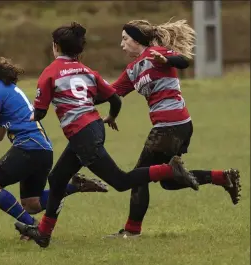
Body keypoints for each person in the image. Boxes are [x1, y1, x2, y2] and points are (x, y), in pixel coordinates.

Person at [14, 22, 200, 248]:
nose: (122, 44)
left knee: (121, 181)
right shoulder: (87, 71)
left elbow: (40, 112)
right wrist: (111, 116)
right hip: (92, 128)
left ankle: (170, 170)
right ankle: (43, 233)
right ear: (79, 50)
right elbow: (113, 97)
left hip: (82, 134)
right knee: (57, 179)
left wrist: (26, 118)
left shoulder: (50, 72)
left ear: (55, 46)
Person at [105, 19, 241, 238]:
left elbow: (183, 61)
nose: (122, 44)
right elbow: (110, 92)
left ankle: (131, 232)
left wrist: (166, 57)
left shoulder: (156, 53)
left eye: (125, 39)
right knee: (168, 182)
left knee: (139, 176)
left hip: (172, 126)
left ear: (137, 39)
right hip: (171, 127)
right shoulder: (132, 70)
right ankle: (222, 177)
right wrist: (82, 90)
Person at [0, 53, 109, 232]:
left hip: (28, 147)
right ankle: (74, 186)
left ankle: (32, 226)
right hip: (42, 150)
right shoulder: (7, 88)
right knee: (32, 204)